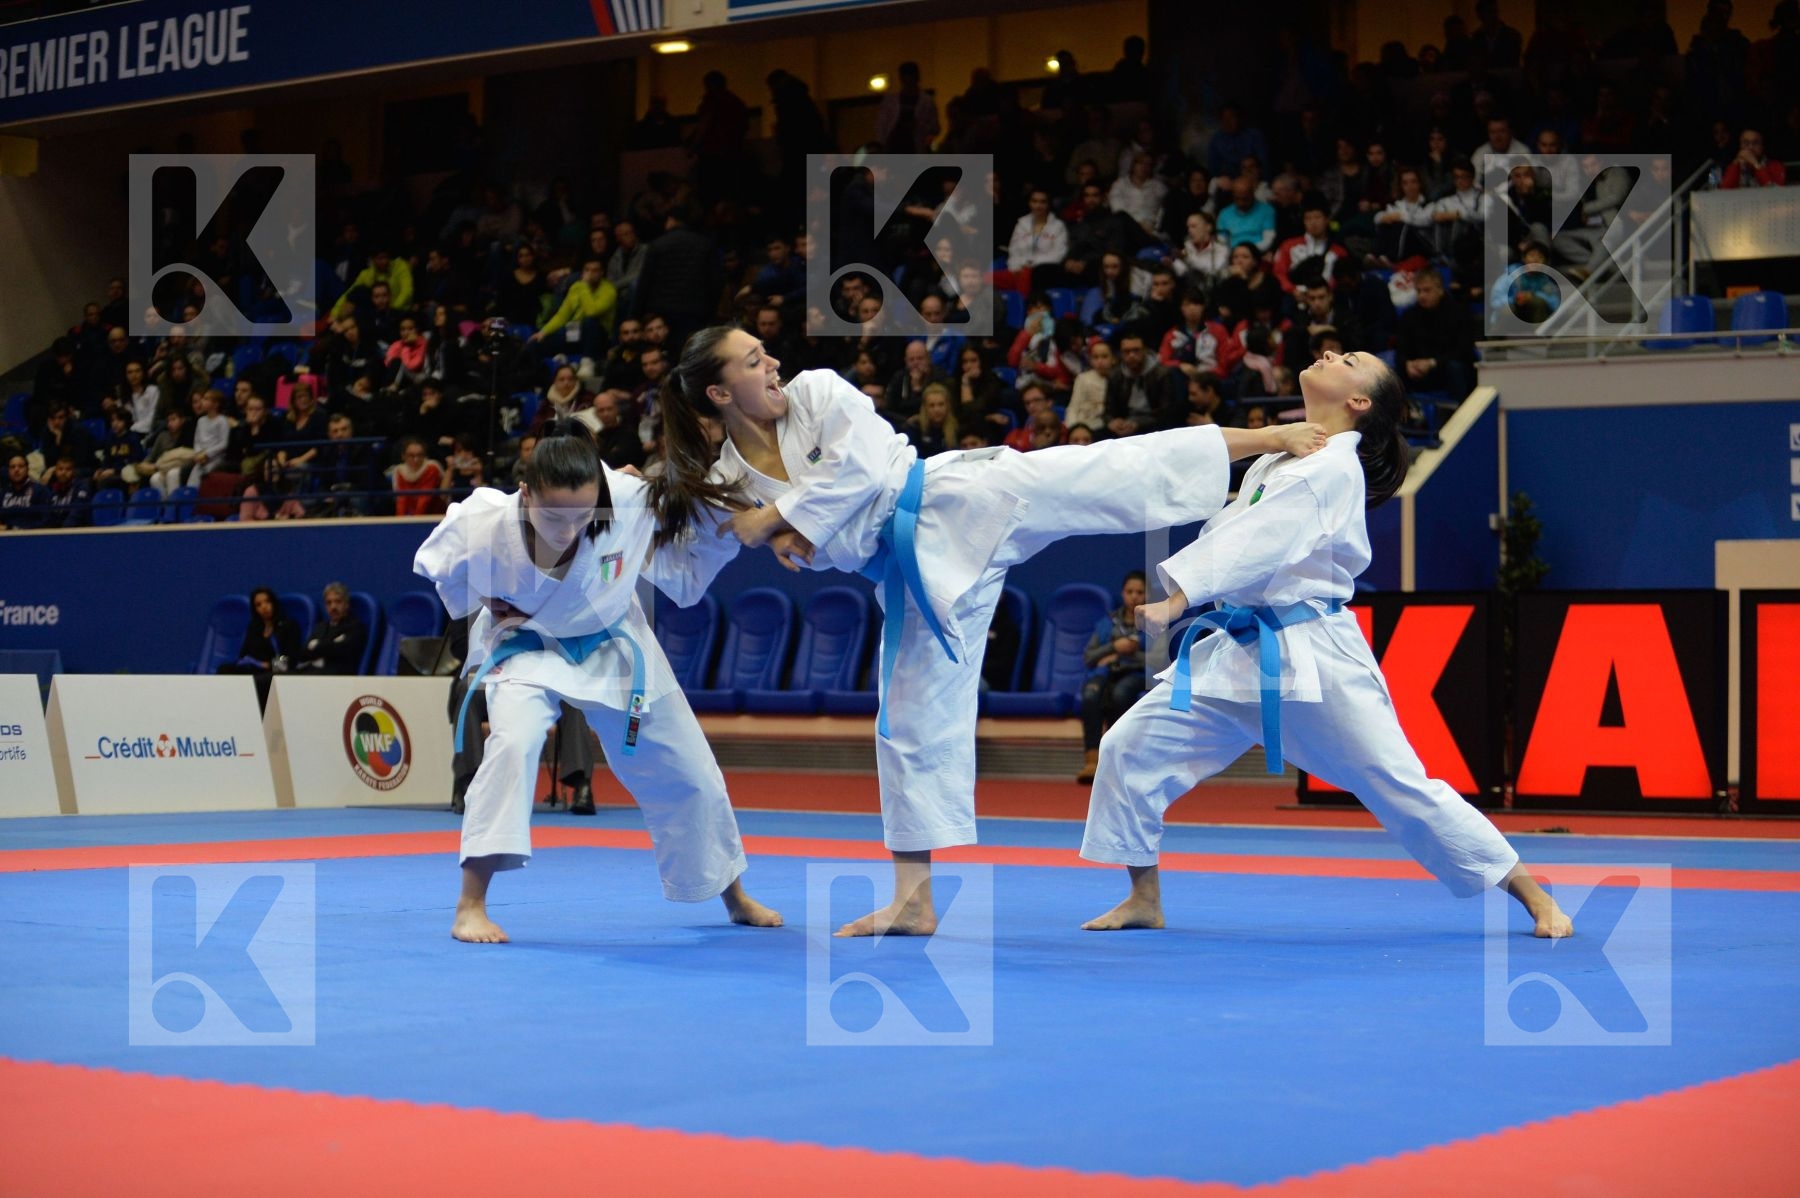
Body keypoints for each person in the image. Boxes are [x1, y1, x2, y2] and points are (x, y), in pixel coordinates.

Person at [647, 326, 1327, 937]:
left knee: (1105, 469)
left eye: (767, 352)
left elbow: (858, 469)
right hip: (915, 576)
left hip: (957, 500)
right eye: (753, 360)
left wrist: (776, 520)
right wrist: (620, 530)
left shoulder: (818, 392)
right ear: (718, 390)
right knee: (908, 721)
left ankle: (1268, 439)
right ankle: (914, 899)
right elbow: (687, 569)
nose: (772, 364)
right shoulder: (726, 481)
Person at [1077, 348, 1573, 940]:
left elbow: (1259, 541)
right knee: (1128, 748)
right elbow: (1231, 529)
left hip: (1308, 652)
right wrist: (1270, 442)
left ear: (1358, 401)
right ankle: (1143, 898)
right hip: (1237, 652)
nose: (1331, 352)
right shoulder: (1284, 459)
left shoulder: (1335, 468)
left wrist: (1178, 598)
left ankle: (1535, 895)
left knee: (1398, 785)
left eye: (1350, 358)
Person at [413, 418, 782, 942]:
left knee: (688, 764)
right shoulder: (484, 520)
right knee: (512, 746)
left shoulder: (627, 497)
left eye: (582, 516)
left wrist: (778, 526)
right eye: (553, 516)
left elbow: (712, 513)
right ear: (525, 492)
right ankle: (470, 905)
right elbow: (437, 565)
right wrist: (479, 600)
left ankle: (733, 895)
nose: (569, 530)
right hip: (528, 647)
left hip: (613, 641)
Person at [1077, 571, 1150, 783]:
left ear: (1147, 595)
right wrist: (1115, 647)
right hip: (1106, 673)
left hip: (1137, 674)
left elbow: (1159, 660)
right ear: (1122, 593)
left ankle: (1115, 759)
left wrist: (1126, 653)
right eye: (1129, 592)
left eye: (1140, 592)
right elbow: (1089, 657)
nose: (1134, 597)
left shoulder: (1155, 621)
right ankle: (1091, 760)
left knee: (1120, 694)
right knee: (1091, 694)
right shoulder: (1106, 622)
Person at [218, 587, 303, 708]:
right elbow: (244, 654)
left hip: (275, 670)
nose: (264, 607)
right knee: (224, 669)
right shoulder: (254, 627)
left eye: (267, 602)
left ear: (274, 603)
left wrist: (268, 664)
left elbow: (291, 659)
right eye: (258, 605)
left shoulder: (288, 625)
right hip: (255, 668)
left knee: (259, 681)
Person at [293, 582, 369, 674]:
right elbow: (303, 654)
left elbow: (341, 650)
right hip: (310, 672)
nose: (333, 607)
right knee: (275, 677)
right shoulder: (321, 627)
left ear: (346, 604)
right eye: (329, 603)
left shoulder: (355, 627)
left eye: (338, 602)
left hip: (335, 676)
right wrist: (329, 645)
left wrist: (317, 645)